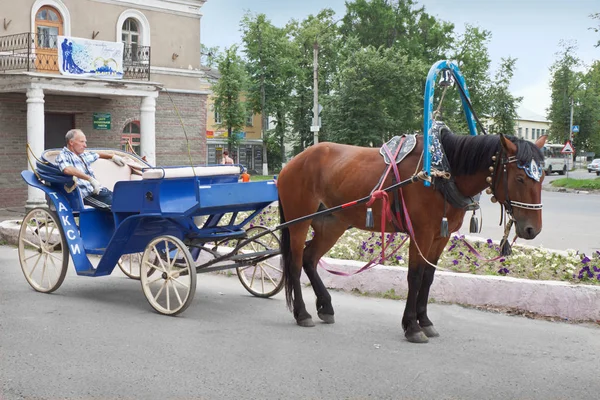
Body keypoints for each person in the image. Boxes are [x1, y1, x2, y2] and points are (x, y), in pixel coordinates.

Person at [55, 129, 125, 209]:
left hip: (99, 191)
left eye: (85, 142)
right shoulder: (63, 155)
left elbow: (97, 154)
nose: (85, 145)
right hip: (86, 195)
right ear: (71, 142)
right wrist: (90, 179)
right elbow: (67, 169)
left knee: (126, 201)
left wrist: (112, 156)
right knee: (118, 207)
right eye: (82, 142)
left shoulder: (83, 155)